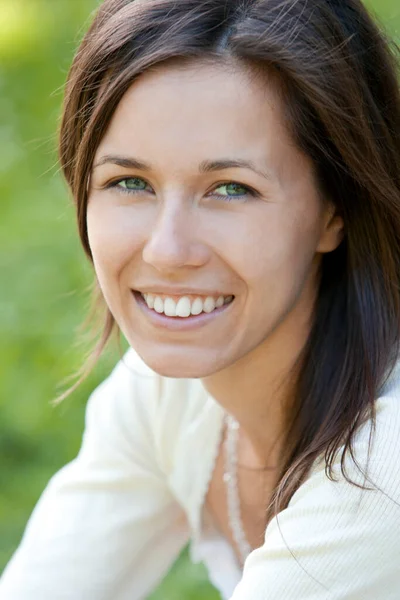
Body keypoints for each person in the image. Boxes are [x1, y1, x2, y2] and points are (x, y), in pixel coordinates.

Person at [1, 0, 400, 597]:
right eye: (128, 182)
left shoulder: (385, 465)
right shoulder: (167, 398)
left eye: (231, 189)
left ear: (334, 211)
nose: (167, 250)